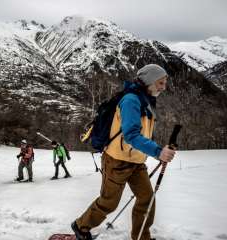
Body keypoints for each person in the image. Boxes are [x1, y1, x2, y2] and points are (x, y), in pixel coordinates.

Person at [71, 64, 176, 240]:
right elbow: (131, 135)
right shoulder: (131, 101)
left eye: (164, 83)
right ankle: (81, 226)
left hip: (136, 161)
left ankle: (142, 237)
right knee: (109, 203)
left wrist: (158, 151)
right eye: (160, 83)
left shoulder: (146, 99)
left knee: (146, 199)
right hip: (116, 161)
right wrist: (158, 151)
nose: (164, 87)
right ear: (149, 81)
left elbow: (142, 132)